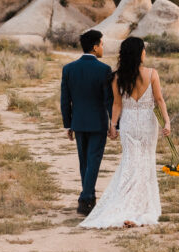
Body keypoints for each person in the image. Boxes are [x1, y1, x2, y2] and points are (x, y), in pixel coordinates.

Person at [80, 36, 170, 229]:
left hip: (128, 123)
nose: (145, 53)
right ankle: (139, 207)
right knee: (145, 162)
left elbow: (117, 104)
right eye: (144, 50)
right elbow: (160, 100)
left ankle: (124, 205)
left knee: (130, 162)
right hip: (147, 124)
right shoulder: (152, 74)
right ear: (140, 53)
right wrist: (167, 122)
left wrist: (113, 125)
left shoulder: (117, 77)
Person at [60, 29, 114, 216]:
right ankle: (85, 198)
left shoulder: (68, 69)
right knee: (94, 161)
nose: (102, 47)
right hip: (98, 123)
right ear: (94, 47)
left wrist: (68, 124)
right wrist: (114, 123)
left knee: (84, 162)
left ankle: (88, 197)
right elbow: (109, 100)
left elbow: (65, 99)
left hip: (79, 122)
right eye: (101, 44)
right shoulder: (104, 69)